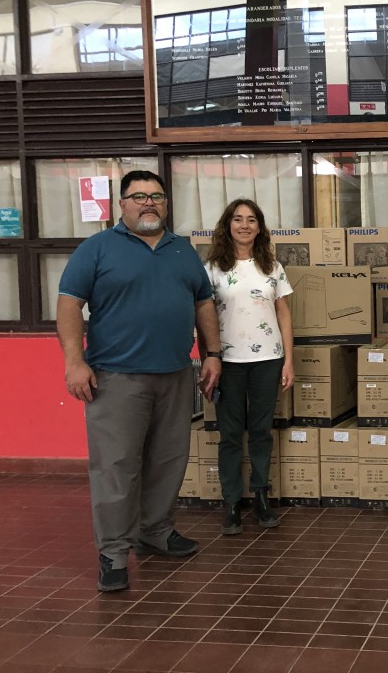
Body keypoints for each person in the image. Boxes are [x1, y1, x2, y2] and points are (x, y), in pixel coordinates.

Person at [57, 170, 222, 593]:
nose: (149, 203)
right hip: (116, 378)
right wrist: (75, 362)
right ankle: (113, 553)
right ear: (122, 204)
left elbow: (203, 303)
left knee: (168, 460)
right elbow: (70, 306)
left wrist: (211, 353)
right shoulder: (96, 249)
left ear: (166, 204)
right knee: (116, 467)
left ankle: (156, 531)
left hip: (174, 374)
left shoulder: (182, 250)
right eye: (139, 196)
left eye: (157, 196)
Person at [204, 199, 294, 535]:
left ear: (260, 227)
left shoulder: (271, 266)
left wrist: (289, 361)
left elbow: (284, 314)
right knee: (229, 436)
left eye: (251, 220)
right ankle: (230, 503)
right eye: (238, 219)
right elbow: (204, 316)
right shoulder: (213, 268)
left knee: (260, 432)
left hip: (267, 361)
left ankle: (260, 497)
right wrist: (206, 359)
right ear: (227, 225)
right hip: (227, 362)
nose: (245, 225)